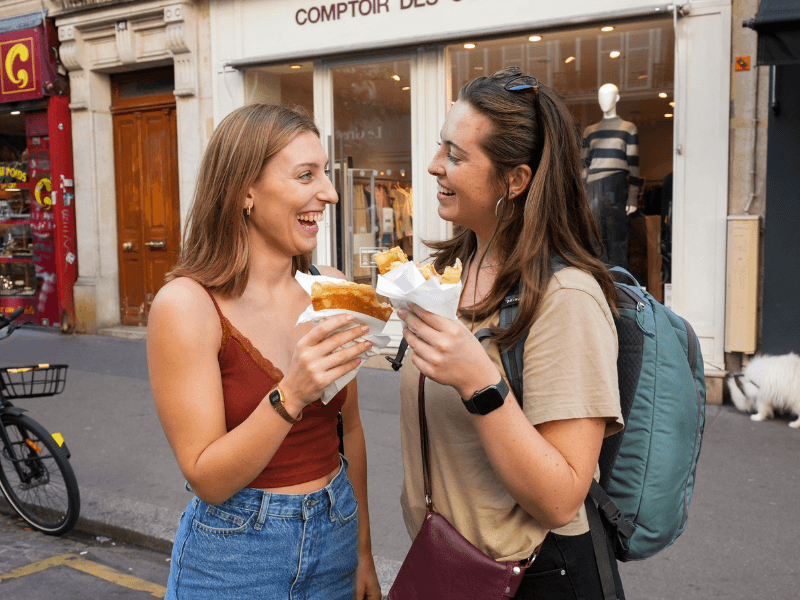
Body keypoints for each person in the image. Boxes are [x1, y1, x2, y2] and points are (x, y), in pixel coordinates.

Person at [396, 67, 626, 598]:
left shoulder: (568, 297)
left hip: (532, 580)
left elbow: (563, 498)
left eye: (455, 156)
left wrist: (481, 383)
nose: (434, 166)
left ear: (515, 180)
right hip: (448, 568)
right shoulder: (453, 272)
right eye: (440, 148)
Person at [147, 103, 382, 600]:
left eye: (325, 173)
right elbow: (208, 479)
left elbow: (351, 430)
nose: (331, 193)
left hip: (336, 534)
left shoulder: (332, 288)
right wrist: (291, 393)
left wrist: (363, 552)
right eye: (306, 175)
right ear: (245, 191)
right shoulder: (187, 307)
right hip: (236, 556)